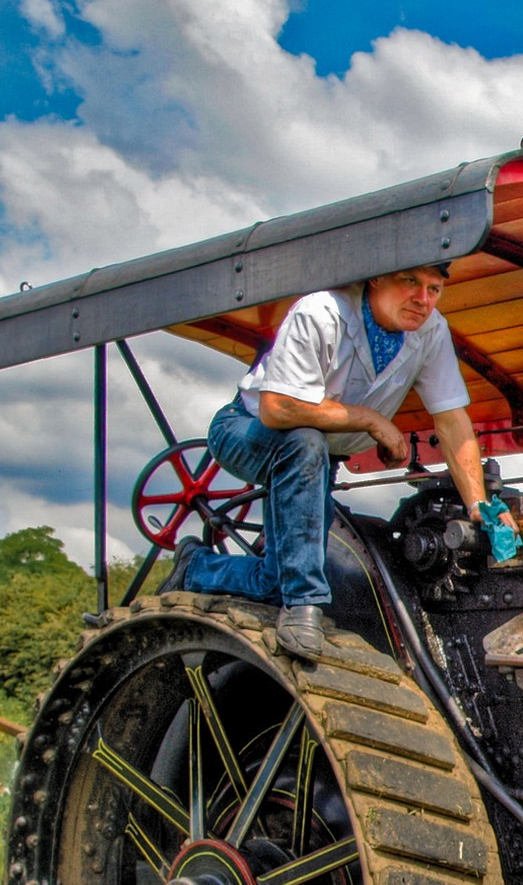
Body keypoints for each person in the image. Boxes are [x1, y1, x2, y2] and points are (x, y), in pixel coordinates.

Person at [171, 264, 486, 659]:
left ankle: (194, 569)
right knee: (304, 442)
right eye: (410, 282)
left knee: (276, 579)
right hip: (247, 430)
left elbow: (452, 419)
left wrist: (480, 505)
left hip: (316, 457)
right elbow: (279, 408)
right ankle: (304, 606)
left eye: (434, 289)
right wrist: (372, 421)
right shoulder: (321, 312)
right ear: (376, 278)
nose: (423, 299)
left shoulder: (431, 330)